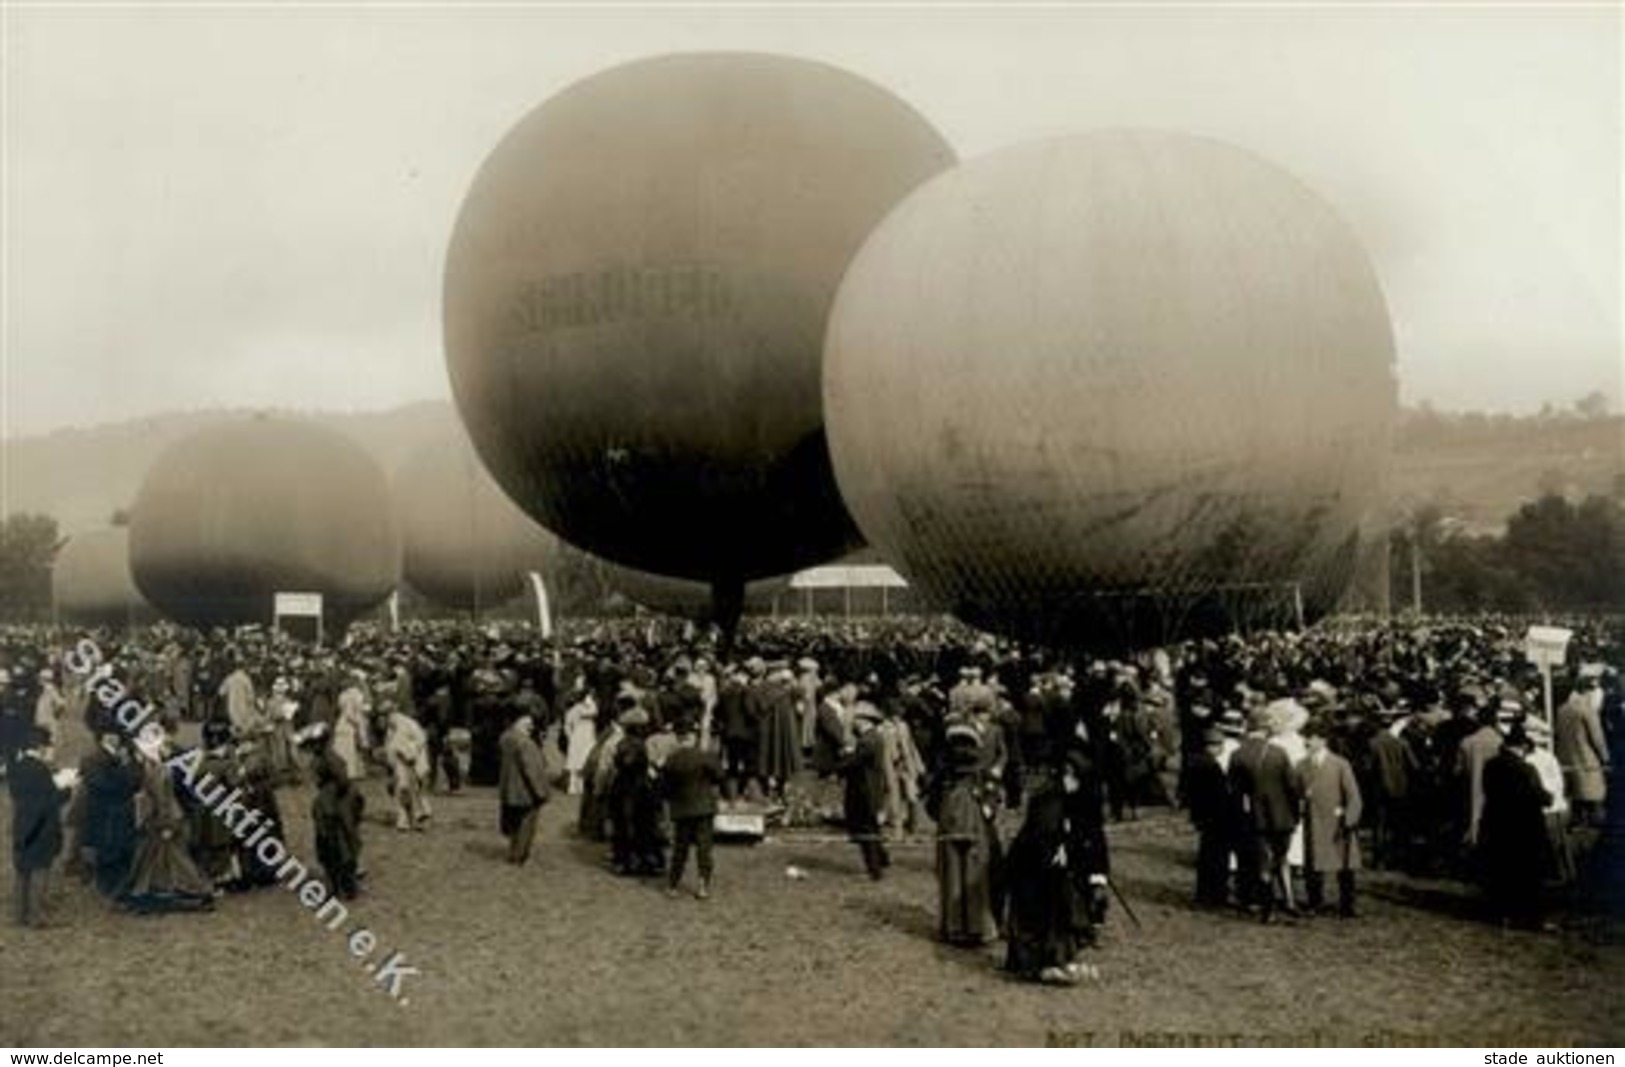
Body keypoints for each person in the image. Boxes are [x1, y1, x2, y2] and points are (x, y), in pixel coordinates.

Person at [1003, 750, 1105, 985]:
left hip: (1036, 864)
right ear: (1070, 776)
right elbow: (1043, 834)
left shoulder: (1056, 795)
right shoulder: (1051, 799)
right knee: (1035, 915)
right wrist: (1057, 851)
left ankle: (1039, 961)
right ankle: (1035, 964)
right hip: (1031, 865)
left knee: (1040, 913)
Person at [1229, 702, 1303, 922]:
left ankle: (1267, 908)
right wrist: (1295, 813)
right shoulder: (1279, 753)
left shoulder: (1238, 754)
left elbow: (1234, 792)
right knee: (1282, 859)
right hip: (1283, 817)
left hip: (1255, 817)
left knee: (1263, 862)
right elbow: (1292, 788)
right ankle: (1289, 900)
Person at [929, 723, 999, 945]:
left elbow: (931, 804)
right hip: (973, 829)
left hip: (949, 830)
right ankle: (976, 927)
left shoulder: (943, 773)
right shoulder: (981, 772)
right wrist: (987, 810)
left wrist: (942, 815)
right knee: (973, 876)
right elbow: (992, 800)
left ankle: (955, 927)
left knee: (953, 877)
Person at [1478, 726, 1553, 930]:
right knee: (1529, 873)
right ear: (1522, 747)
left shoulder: (1490, 766)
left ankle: (1502, 913)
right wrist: (1550, 796)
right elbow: (1541, 797)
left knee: (1502, 869)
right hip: (1525, 826)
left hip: (1497, 824)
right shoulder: (1526, 769)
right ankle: (1531, 917)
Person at [1297, 719, 1364, 917]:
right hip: (1313, 822)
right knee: (1313, 865)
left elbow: (1354, 796)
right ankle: (1314, 902)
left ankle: (1347, 905)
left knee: (1345, 866)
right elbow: (1295, 793)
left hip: (1338, 824)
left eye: (1310, 738)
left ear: (1322, 740)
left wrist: (1349, 820)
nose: (1306, 742)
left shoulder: (1340, 764)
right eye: (1305, 738)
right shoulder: (1301, 766)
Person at [9, 727, 69, 927]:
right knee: (40, 869)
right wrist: (68, 790)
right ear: (40, 746)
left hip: (22, 822)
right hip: (42, 825)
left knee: (22, 869)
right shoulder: (41, 769)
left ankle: (19, 914)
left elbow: (16, 794)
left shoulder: (16, 766)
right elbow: (52, 799)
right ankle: (37, 916)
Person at [662, 719, 723, 899]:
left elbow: (665, 788)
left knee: (680, 849)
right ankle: (703, 885)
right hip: (704, 808)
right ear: (692, 737)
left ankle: (673, 884)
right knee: (704, 849)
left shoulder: (671, 760)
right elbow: (719, 776)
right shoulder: (706, 756)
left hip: (681, 809)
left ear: (679, 738)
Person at [1184, 726, 1234, 908]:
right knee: (1217, 858)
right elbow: (1221, 795)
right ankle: (1214, 895)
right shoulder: (1211, 766)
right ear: (1214, 745)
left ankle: (1205, 895)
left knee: (1206, 856)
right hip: (1217, 818)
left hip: (1203, 817)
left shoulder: (1195, 762)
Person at [841, 705, 890, 879]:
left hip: (863, 791)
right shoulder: (873, 738)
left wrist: (845, 756)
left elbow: (854, 763)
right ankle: (882, 859)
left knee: (865, 830)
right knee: (872, 828)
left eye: (856, 719)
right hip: (870, 789)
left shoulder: (867, 741)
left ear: (863, 721)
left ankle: (874, 869)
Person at [1554, 673, 1610, 827]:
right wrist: (1605, 758)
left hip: (1566, 760)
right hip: (1587, 760)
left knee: (1576, 800)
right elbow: (1597, 738)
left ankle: (1576, 829)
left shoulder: (1562, 709)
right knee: (1594, 799)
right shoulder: (1587, 710)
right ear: (1587, 691)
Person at [497, 710, 551, 866]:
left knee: (514, 824)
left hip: (509, 789)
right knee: (526, 825)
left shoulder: (506, 738)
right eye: (527, 723)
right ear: (517, 722)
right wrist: (541, 792)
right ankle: (521, 856)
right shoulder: (526, 743)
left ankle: (513, 852)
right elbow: (532, 770)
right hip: (526, 791)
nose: (531, 727)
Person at [312, 749, 362, 900]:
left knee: (338, 851)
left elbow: (343, 782)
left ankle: (342, 886)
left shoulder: (329, 791)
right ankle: (345, 886)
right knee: (340, 850)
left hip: (335, 818)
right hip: (337, 815)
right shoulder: (331, 758)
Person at [383, 707, 432, 832]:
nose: (384, 719)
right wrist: (390, 765)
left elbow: (421, 739)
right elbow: (390, 749)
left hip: (415, 760)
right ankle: (403, 821)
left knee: (417, 790)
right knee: (402, 789)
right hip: (400, 762)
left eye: (386, 715)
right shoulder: (390, 729)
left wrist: (411, 754)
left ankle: (420, 818)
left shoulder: (408, 723)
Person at [563, 686, 598, 796]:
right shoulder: (577, 709)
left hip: (586, 737)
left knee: (582, 761)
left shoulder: (580, 709)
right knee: (577, 762)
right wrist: (570, 736)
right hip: (579, 737)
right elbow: (568, 724)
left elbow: (594, 711)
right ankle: (573, 786)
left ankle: (579, 786)